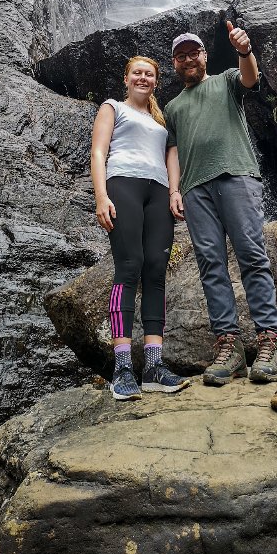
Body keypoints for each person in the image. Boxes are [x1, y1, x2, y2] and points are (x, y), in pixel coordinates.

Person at [164, 22, 277, 386]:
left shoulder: (226, 80)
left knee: (251, 254)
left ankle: (269, 341)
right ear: (174, 64)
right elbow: (172, 149)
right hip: (196, 188)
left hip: (237, 175)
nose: (188, 59)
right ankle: (229, 347)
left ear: (204, 56)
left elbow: (250, 79)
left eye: (193, 53)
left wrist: (245, 51)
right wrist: (174, 190)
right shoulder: (172, 107)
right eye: (181, 56)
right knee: (211, 264)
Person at [90, 56, 191, 401]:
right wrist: (101, 196)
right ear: (127, 78)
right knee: (129, 266)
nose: (143, 77)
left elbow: (171, 157)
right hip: (123, 183)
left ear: (155, 82)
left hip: (159, 191)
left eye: (149, 74)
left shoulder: (161, 120)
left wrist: (175, 191)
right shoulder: (112, 107)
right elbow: (99, 151)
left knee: (156, 272)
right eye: (138, 72)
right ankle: (121, 366)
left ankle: (152, 365)